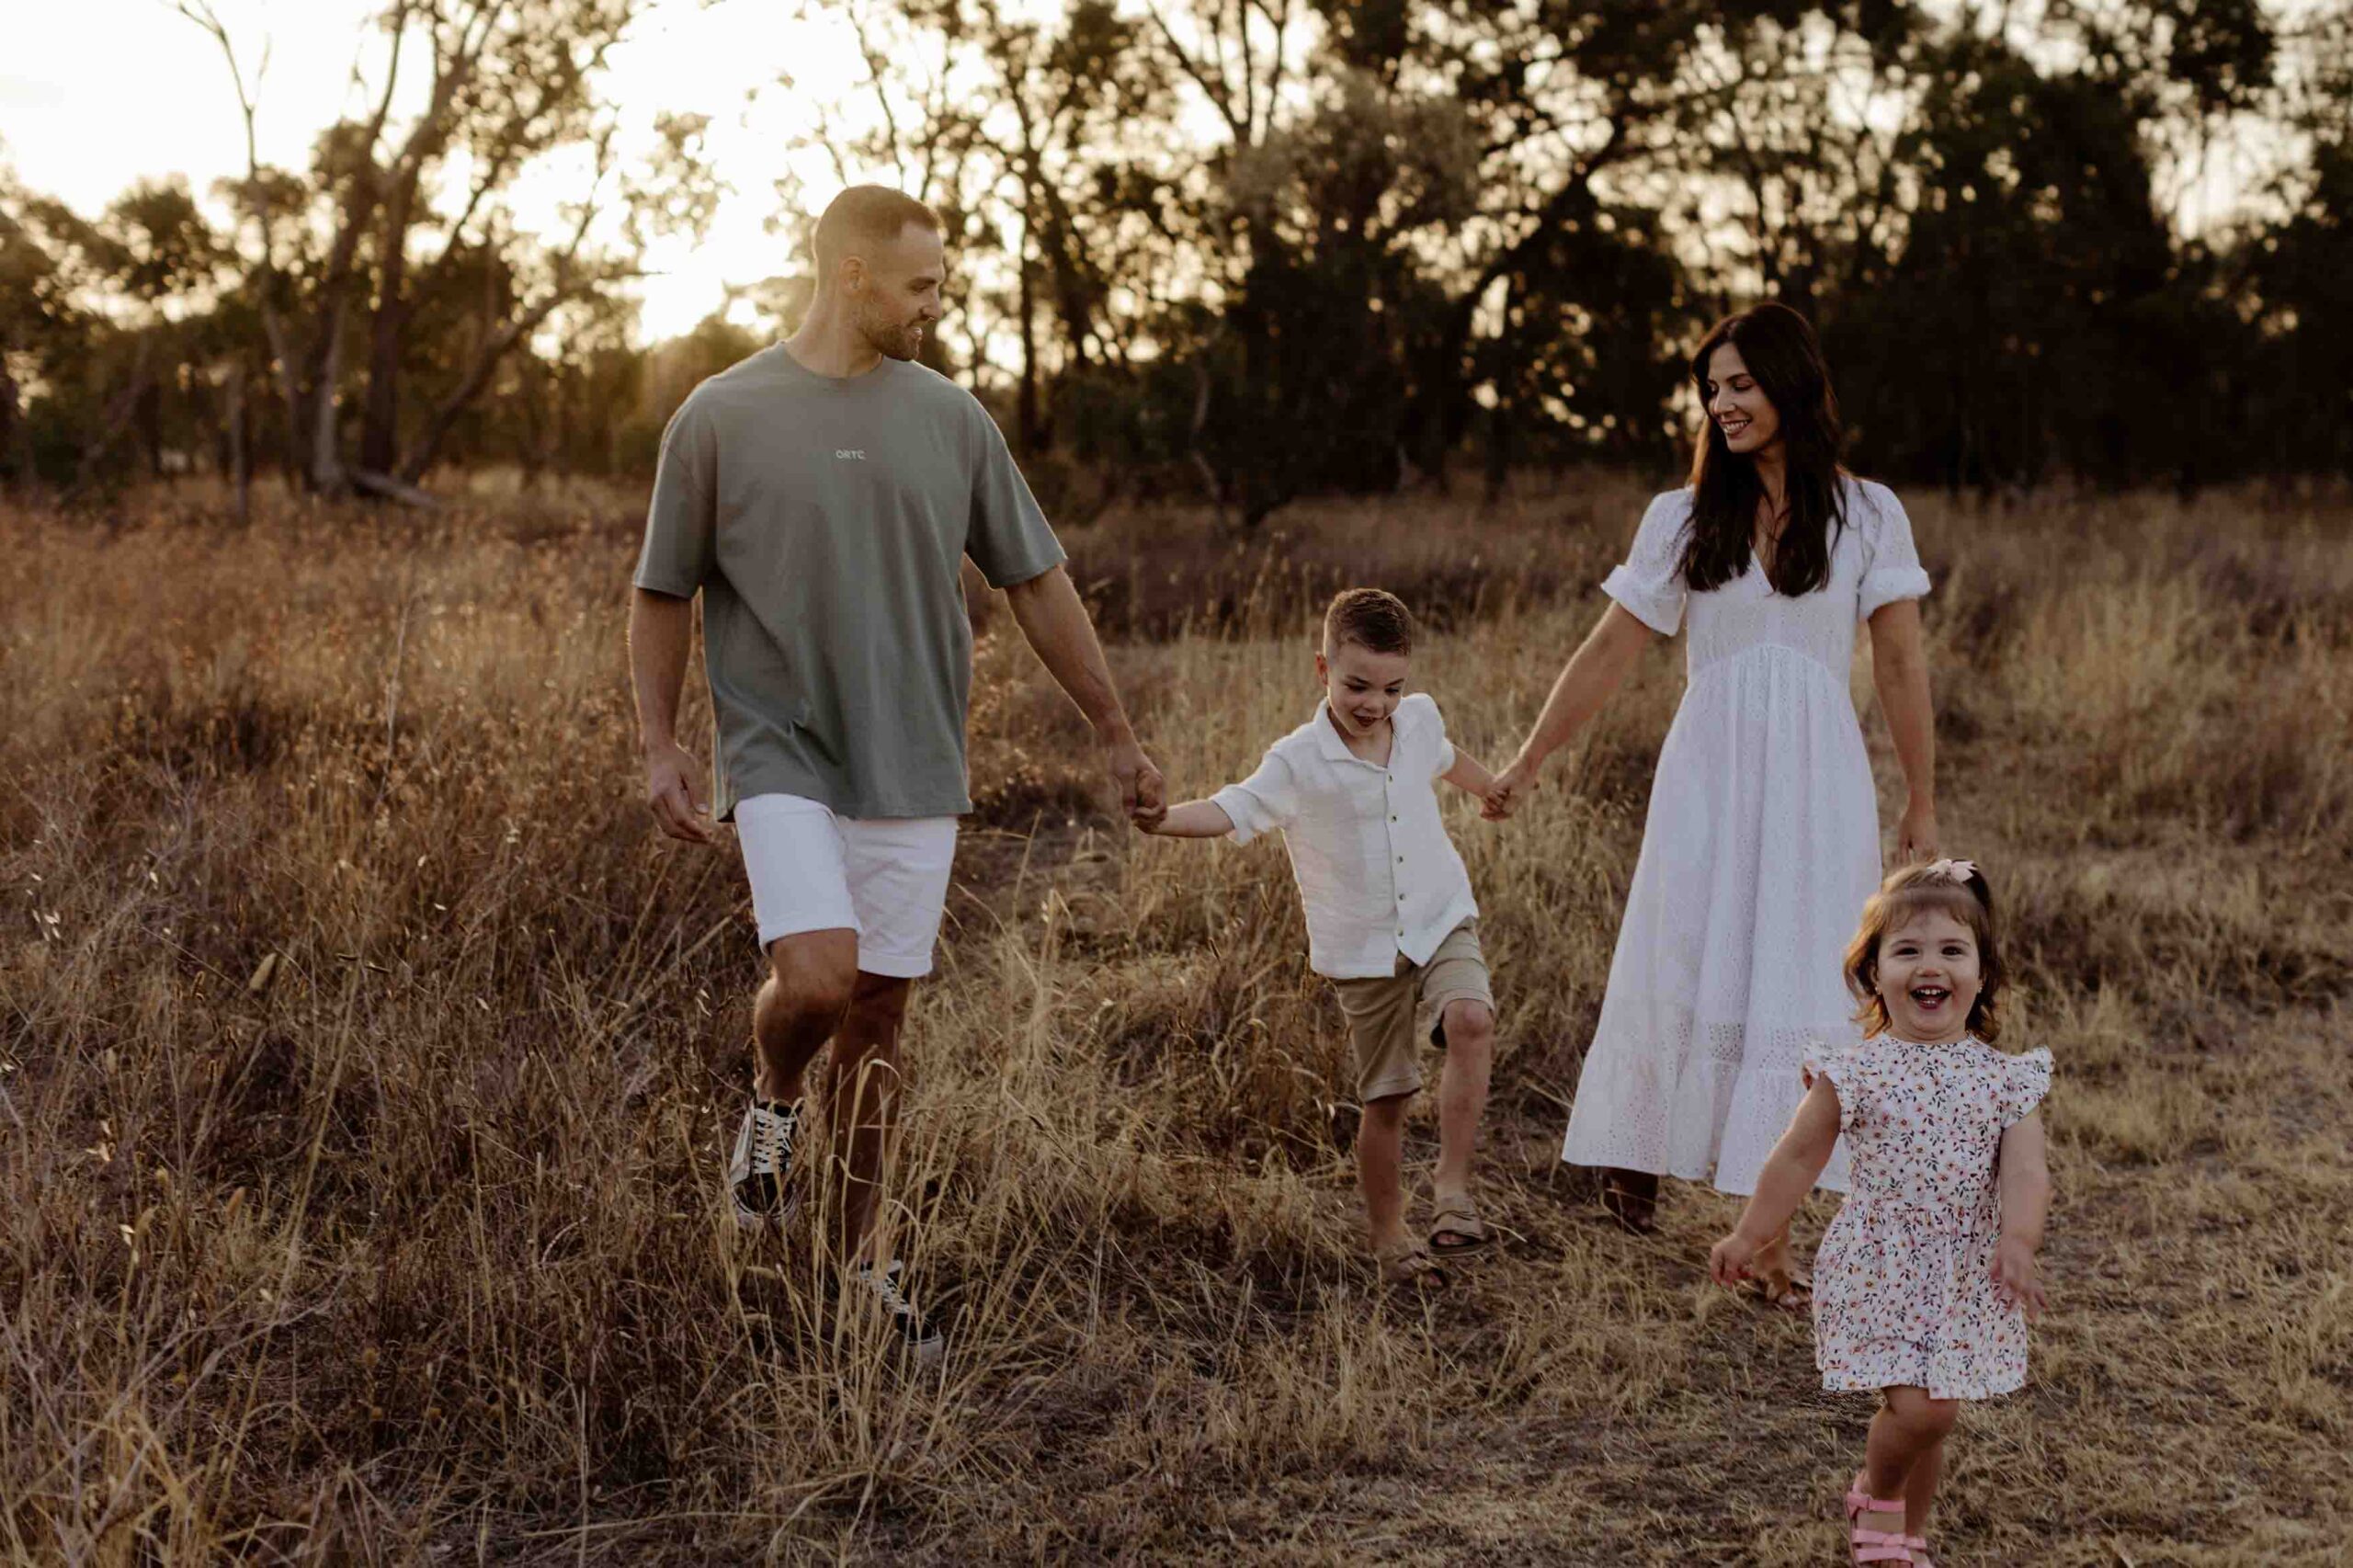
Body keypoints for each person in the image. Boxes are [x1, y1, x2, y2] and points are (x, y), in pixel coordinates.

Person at [629, 185, 1165, 1361]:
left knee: (878, 1021)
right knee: (816, 984)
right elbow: (662, 588)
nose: (939, 303)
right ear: (852, 277)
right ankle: (773, 1102)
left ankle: (862, 1263)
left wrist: (1115, 727)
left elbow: (1036, 581)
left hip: (916, 757)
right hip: (778, 750)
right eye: (921, 284)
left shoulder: (953, 418)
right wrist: (662, 745)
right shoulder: (719, 415)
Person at [1485, 301, 1939, 1301]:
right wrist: (1528, 759)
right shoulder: (1681, 517)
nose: (1722, 404)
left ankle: (1763, 1225)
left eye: (1740, 384)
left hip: (1819, 773)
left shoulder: (1869, 512)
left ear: (1790, 385)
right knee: (1681, 942)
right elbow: (1610, 648)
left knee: (1806, 974)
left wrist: (1920, 797)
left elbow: (1900, 661)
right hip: (1708, 770)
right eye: (1711, 390)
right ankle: (1642, 1148)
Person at [1144, 589, 1503, 1286]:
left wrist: (1492, 789)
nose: (1376, 704)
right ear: (1322, 670)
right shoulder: (1297, 761)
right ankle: (1388, 1234)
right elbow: (1232, 808)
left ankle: (1453, 1191)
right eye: (1358, 686)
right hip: (1365, 950)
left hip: (1439, 914)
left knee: (1471, 1017)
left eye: (1392, 688)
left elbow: (1446, 756)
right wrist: (1159, 820)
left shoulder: (1419, 719)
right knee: (1389, 1097)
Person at [1709, 859, 2052, 1566]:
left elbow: (2026, 1172)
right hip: (1882, 1264)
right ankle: (1875, 1494)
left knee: (1933, 1413)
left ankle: (1907, 1538)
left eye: (1953, 951)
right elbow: (1797, 1158)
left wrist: (2018, 1241)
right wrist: (1752, 1231)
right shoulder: (1857, 1070)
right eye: (1908, 950)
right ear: (1874, 975)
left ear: (1982, 974)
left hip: (1964, 1270)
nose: (1932, 965)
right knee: (1927, 1409)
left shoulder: (2005, 1079)